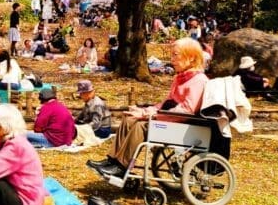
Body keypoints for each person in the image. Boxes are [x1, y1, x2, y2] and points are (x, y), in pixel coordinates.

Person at [88, 38, 207, 179]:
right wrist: (144, 111)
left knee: (140, 126)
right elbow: (166, 103)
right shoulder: (179, 78)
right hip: (171, 120)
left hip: (184, 126)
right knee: (129, 119)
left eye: (176, 55)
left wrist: (151, 115)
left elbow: (186, 111)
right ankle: (112, 160)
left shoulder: (198, 80)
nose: (172, 59)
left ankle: (121, 166)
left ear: (191, 57)